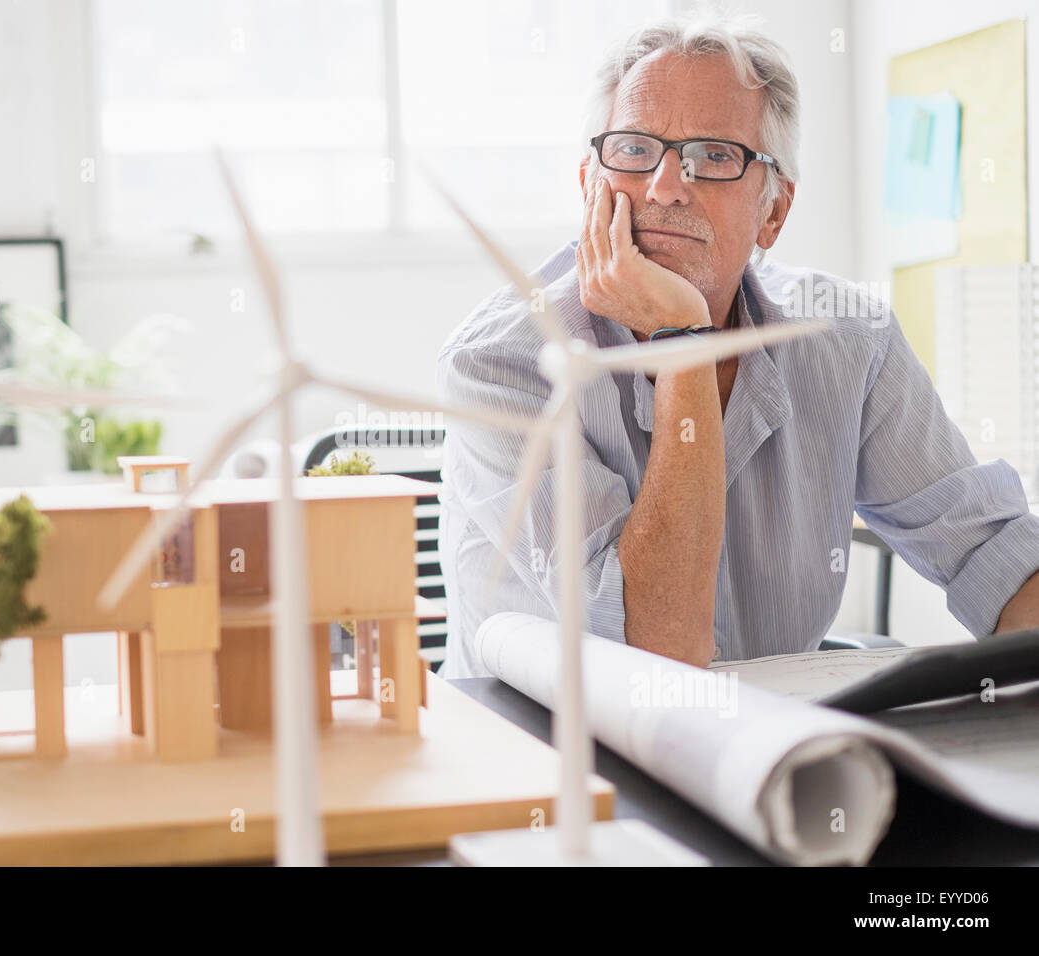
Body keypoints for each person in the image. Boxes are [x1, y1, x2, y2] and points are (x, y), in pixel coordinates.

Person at [438, 13, 1039, 677]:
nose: (665, 187)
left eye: (715, 156)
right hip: (550, 759)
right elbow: (656, 655)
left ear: (773, 211)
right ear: (590, 188)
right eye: (635, 150)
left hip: (769, 746)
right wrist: (683, 343)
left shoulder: (846, 340)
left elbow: (992, 554)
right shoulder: (500, 365)